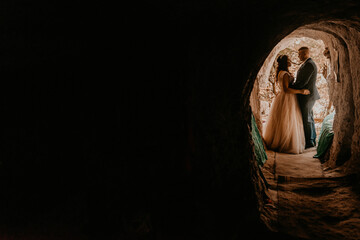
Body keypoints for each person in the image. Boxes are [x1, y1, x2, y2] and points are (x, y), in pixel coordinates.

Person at [263, 55, 310, 154]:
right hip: (287, 98)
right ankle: (286, 144)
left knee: (283, 120)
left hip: (283, 98)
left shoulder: (281, 72)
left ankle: (280, 141)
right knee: (287, 120)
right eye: (288, 60)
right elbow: (286, 89)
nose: (290, 61)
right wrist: (301, 91)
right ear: (285, 62)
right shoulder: (284, 74)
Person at [290, 47, 320, 148]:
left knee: (306, 118)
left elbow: (303, 82)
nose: (298, 56)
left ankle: (309, 142)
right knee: (309, 118)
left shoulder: (309, 65)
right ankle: (311, 140)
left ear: (305, 53)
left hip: (307, 95)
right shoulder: (307, 64)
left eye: (300, 54)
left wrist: (290, 87)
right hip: (307, 95)